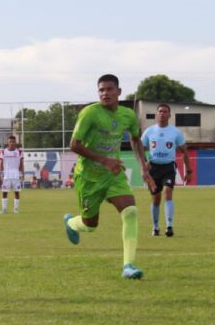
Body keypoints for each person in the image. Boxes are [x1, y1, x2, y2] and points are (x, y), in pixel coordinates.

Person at [63, 74, 155, 279]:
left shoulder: (127, 115)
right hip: (88, 177)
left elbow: (135, 139)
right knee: (90, 225)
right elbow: (74, 145)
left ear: (119, 92)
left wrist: (144, 168)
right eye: (101, 90)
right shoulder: (89, 113)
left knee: (130, 211)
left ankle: (128, 266)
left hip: (113, 174)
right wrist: (105, 160)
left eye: (109, 89)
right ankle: (71, 223)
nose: (105, 93)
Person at [141, 103, 193, 237]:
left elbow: (184, 152)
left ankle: (169, 226)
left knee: (168, 192)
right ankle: (155, 226)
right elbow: (140, 148)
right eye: (160, 111)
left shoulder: (175, 132)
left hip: (168, 167)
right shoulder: (149, 131)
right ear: (156, 114)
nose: (162, 113)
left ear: (169, 115)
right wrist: (144, 164)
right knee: (156, 199)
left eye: (165, 112)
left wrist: (188, 171)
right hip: (153, 168)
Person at [0, 135, 24, 213]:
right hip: (6, 175)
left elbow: (21, 164)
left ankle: (15, 209)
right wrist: (0, 174)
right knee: (4, 192)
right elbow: (1, 163)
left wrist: (22, 173)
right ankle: (4, 209)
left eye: (13, 142)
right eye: (10, 142)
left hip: (16, 174)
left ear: (15, 142)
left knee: (17, 192)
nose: (12, 143)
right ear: (8, 142)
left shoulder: (19, 152)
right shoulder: (4, 152)